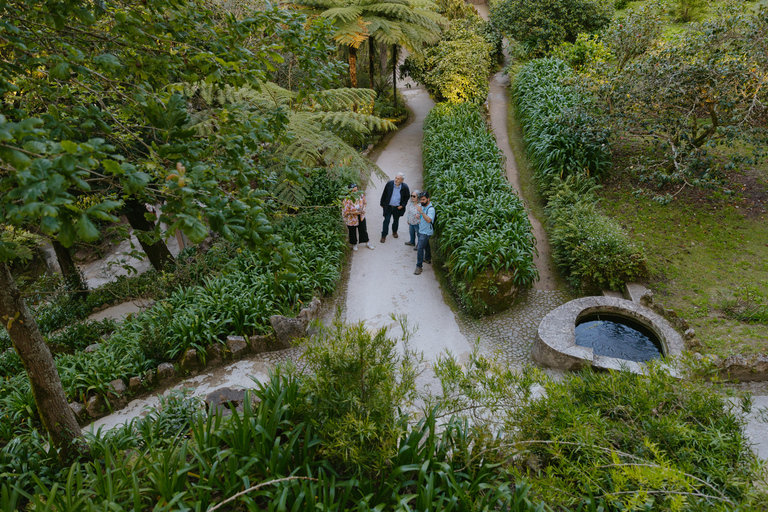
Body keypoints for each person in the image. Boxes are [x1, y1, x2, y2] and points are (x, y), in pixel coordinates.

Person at [379, 173, 410, 243]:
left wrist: (402, 205)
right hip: (389, 207)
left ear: (402, 180)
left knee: (396, 221)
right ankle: (384, 235)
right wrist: (382, 203)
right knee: (386, 221)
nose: (396, 180)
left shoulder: (405, 187)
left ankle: (394, 231)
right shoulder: (389, 184)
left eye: (398, 179)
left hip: (397, 208)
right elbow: (384, 193)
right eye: (396, 178)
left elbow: (406, 197)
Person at [342, 184, 374, 251]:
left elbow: (365, 202)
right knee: (352, 231)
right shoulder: (346, 200)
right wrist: (355, 213)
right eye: (353, 191)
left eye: (356, 190)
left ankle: (367, 241)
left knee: (363, 229)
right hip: (351, 218)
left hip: (360, 215)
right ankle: (354, 243)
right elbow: (345, 211)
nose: (355, 192)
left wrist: (364, 208)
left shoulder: (361, 195)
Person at [414, 191, 435, 275]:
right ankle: (428, 258)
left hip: (426, 232)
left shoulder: (431, 209)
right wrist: (419, 216)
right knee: (426, 244)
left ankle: (419, 266)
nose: (421, 201)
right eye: (421, 200)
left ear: (428, 199)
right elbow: (424, 218)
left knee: (419, 248)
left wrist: (421, 212)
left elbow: (429, 220)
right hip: (422, 229)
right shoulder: (424, 206)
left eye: (423, 199)